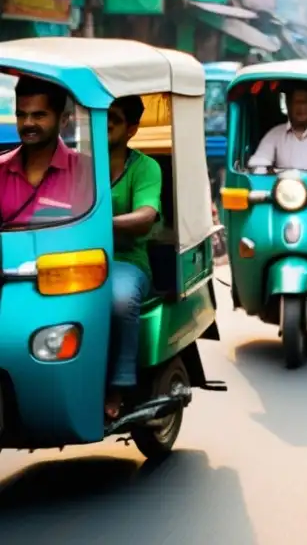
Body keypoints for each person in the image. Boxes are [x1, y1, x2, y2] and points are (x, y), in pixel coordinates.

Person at [106, 96, 163, 419]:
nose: (105, 123)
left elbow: (146, 214)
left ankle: (120, 383)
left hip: (127, 261)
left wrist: (102, 223)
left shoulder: (146, 167)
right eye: (100, 117)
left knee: (120, 300)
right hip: (78, 260)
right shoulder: (81, 164)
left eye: (113, 118)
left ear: (131, 129)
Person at [0, 77, 84, 225]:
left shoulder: (85, 170)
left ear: (63, 120)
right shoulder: (1, 169)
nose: (28, 123)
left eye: (39, 115)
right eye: (21, 115)